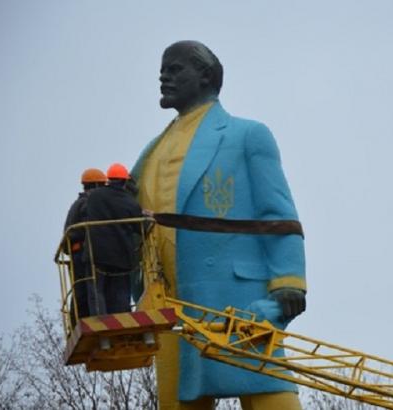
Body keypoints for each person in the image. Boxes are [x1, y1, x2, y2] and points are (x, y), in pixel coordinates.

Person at [132, 40, 306, 409]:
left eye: (175, 69)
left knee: (272, 399)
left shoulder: (247, 135)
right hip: (169, 311)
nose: (164, 77)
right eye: (162, 70)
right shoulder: (150, 153)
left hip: (239, 303)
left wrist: (289, 282)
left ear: (206, 75)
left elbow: (277, 212)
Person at [85, 163, 144, 316]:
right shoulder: (130, 202)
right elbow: (140, 228)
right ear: (124, 182)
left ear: (109, 179)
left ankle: (99, 320)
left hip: (96, 253)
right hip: (121, 255)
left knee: (97, 290)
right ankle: (123, 317)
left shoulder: (95, 196)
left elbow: (86, 213)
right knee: (120, 292)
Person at [63, 168, 107, 322]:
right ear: (96, 185)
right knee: (85, 290)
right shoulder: (87, 203)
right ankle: (83, 321)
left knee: (81, 289)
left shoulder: (79, 203)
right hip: (81, 252)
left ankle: (77, 322)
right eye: (103, 185)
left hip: (79, 251)